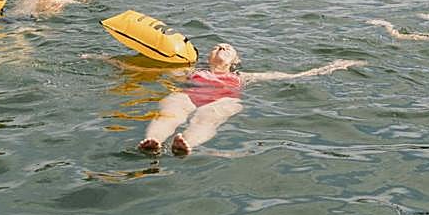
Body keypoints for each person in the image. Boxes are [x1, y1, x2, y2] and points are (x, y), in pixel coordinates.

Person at [136, 43, 360, 155]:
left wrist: (332, 67)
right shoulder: (192, 71)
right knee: (172, 108)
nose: (221, 47)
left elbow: (291, 76)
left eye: (228, 48)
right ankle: (154, 141)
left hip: (222, 99)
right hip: (190, 93)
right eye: (216, 46)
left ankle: (186, 144)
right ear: (208, 56)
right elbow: (155, 70)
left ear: (235, 60)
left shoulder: (242, 77)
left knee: (208, 117)